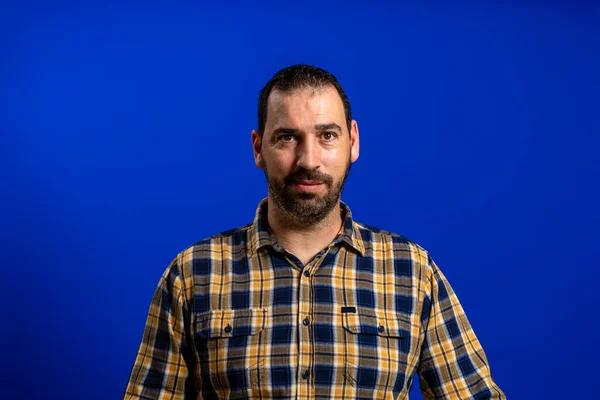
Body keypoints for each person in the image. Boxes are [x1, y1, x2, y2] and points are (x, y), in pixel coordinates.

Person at [123, 64, 505, 399]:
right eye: (287, 137)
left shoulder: (413, 272)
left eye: (327, 135)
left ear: (352, 141)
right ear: (258, 148)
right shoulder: (193, 275)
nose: (308, 160)